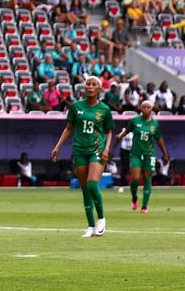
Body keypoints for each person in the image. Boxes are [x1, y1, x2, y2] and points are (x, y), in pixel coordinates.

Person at [51, 75, 114, 237]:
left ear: (99, 89)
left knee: (92, 184)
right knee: (84, 188)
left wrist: (106, 149)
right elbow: (69, 128)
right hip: (79, 150)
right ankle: (91, 226)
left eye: (93, 85)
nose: (90, 87)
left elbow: (108, 132)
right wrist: (57, 147)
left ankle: (101, 219)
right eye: (88, 84)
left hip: (97, 150)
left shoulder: (104, 109)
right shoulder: (76, 106)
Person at [115, 100, 170, 214]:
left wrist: (164, 153)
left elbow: (159, 139)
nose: (145, 109)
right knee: (135, 179)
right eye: (143, 107)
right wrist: (120, 136)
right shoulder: (134, 121)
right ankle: (134, 198)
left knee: (147, 178)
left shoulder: (155, 124)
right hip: (135, 154)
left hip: (149, 154)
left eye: (148, 107)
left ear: (151, 109)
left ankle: (144, 206)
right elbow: (127, 130)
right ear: (140, 108)